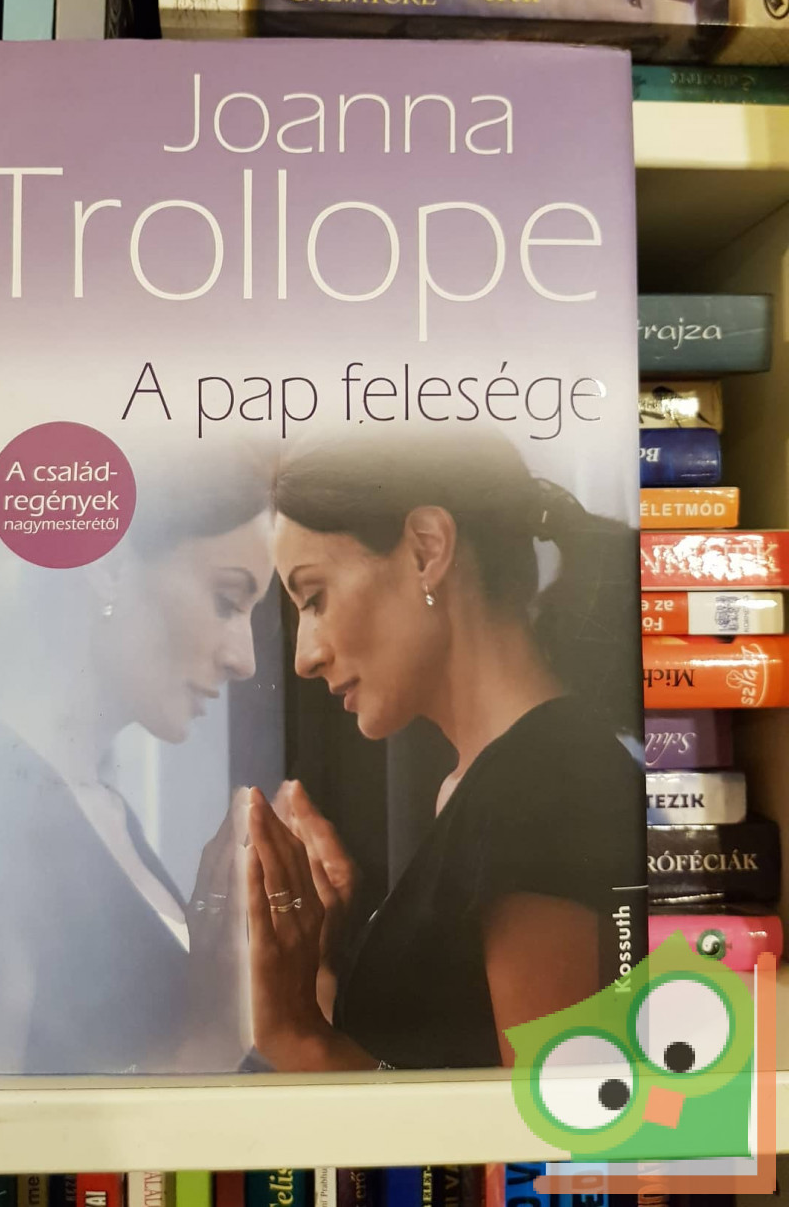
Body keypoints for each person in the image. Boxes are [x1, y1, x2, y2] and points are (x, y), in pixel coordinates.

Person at [244, 431, 646, 1072]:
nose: (305, 657)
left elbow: (556, 1117)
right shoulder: (484, 785)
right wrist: (323, 964)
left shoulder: (542, 784)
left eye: (314, 598)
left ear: (427, 549)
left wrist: (298, 1038)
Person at [0, 446, 274, 1074]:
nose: (245, 660)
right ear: (110, 566)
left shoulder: (101, 805)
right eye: (227, 601)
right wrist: (213, 1041)